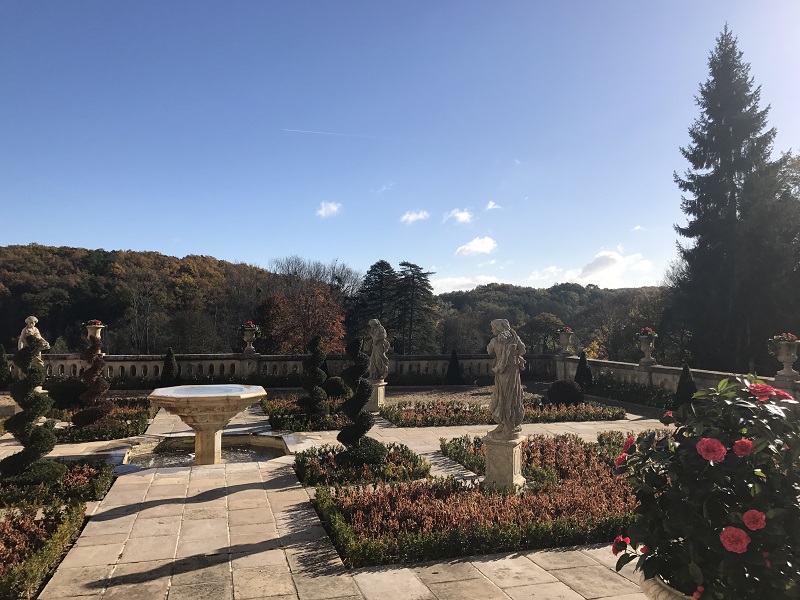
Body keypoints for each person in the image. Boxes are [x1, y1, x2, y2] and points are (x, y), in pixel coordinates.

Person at [487, 318, 525, 437]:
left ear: (499, 327)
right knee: (510, 396)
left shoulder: (495, 340)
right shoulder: (514, 337)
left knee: (504, 396)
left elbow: (489, 351)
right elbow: (522, 350)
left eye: (493, 327)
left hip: (504, 371)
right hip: (511, 371)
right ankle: (508, 424)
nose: (492, 330)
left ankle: (507, 425)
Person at [17, 316, 50, 381]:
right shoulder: (25, 330)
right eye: (31, 322)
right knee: (28, 364)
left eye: (33, 322)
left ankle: (40, 376)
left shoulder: (36, 329)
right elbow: (21, 340)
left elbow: (40, 338)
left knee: (39, 362)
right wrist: (20, 350)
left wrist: (45, 342)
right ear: (28, 323)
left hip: (36, 349)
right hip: (28, 349)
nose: (32, 324)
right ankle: (27, 378)